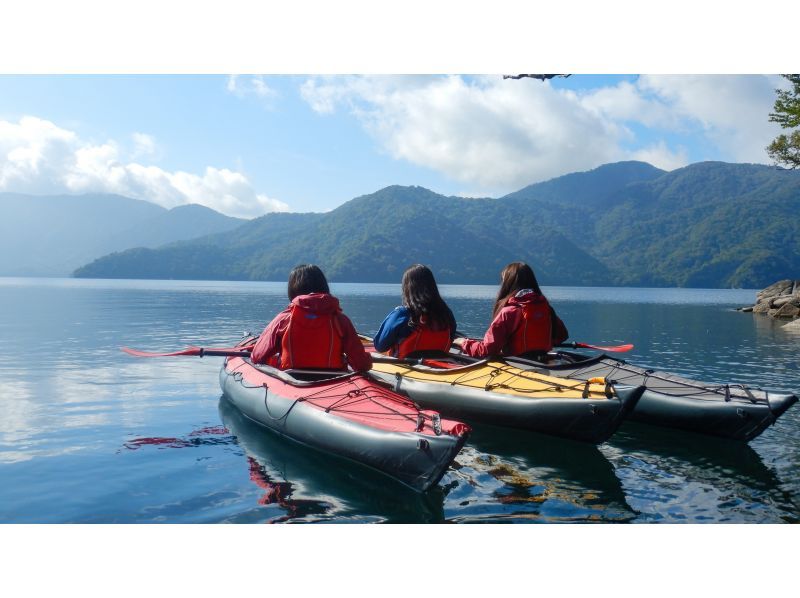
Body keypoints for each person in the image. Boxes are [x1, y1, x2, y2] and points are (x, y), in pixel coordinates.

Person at [250, 264, 372, 371]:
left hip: (291, 378)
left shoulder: (283, 319)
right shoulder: (340, 320)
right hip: (333, 380)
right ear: (324, 286)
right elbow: (361, 364)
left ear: (292, 289)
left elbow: (258, 356)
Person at [454, 262, 568, 359]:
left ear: (508, 283)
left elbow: (487, 350)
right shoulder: (545, 307)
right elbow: (562, 336)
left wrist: (463, 342)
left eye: (503, 280)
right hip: (542, 360)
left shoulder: (509, 312)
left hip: (517, 364)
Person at [373, 264, 457, 358]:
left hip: (405, 367)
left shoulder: (402, 314)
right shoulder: (447, 314)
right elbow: (451, 338)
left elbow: (379, 346)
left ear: (407, 288)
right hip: (440, 366)